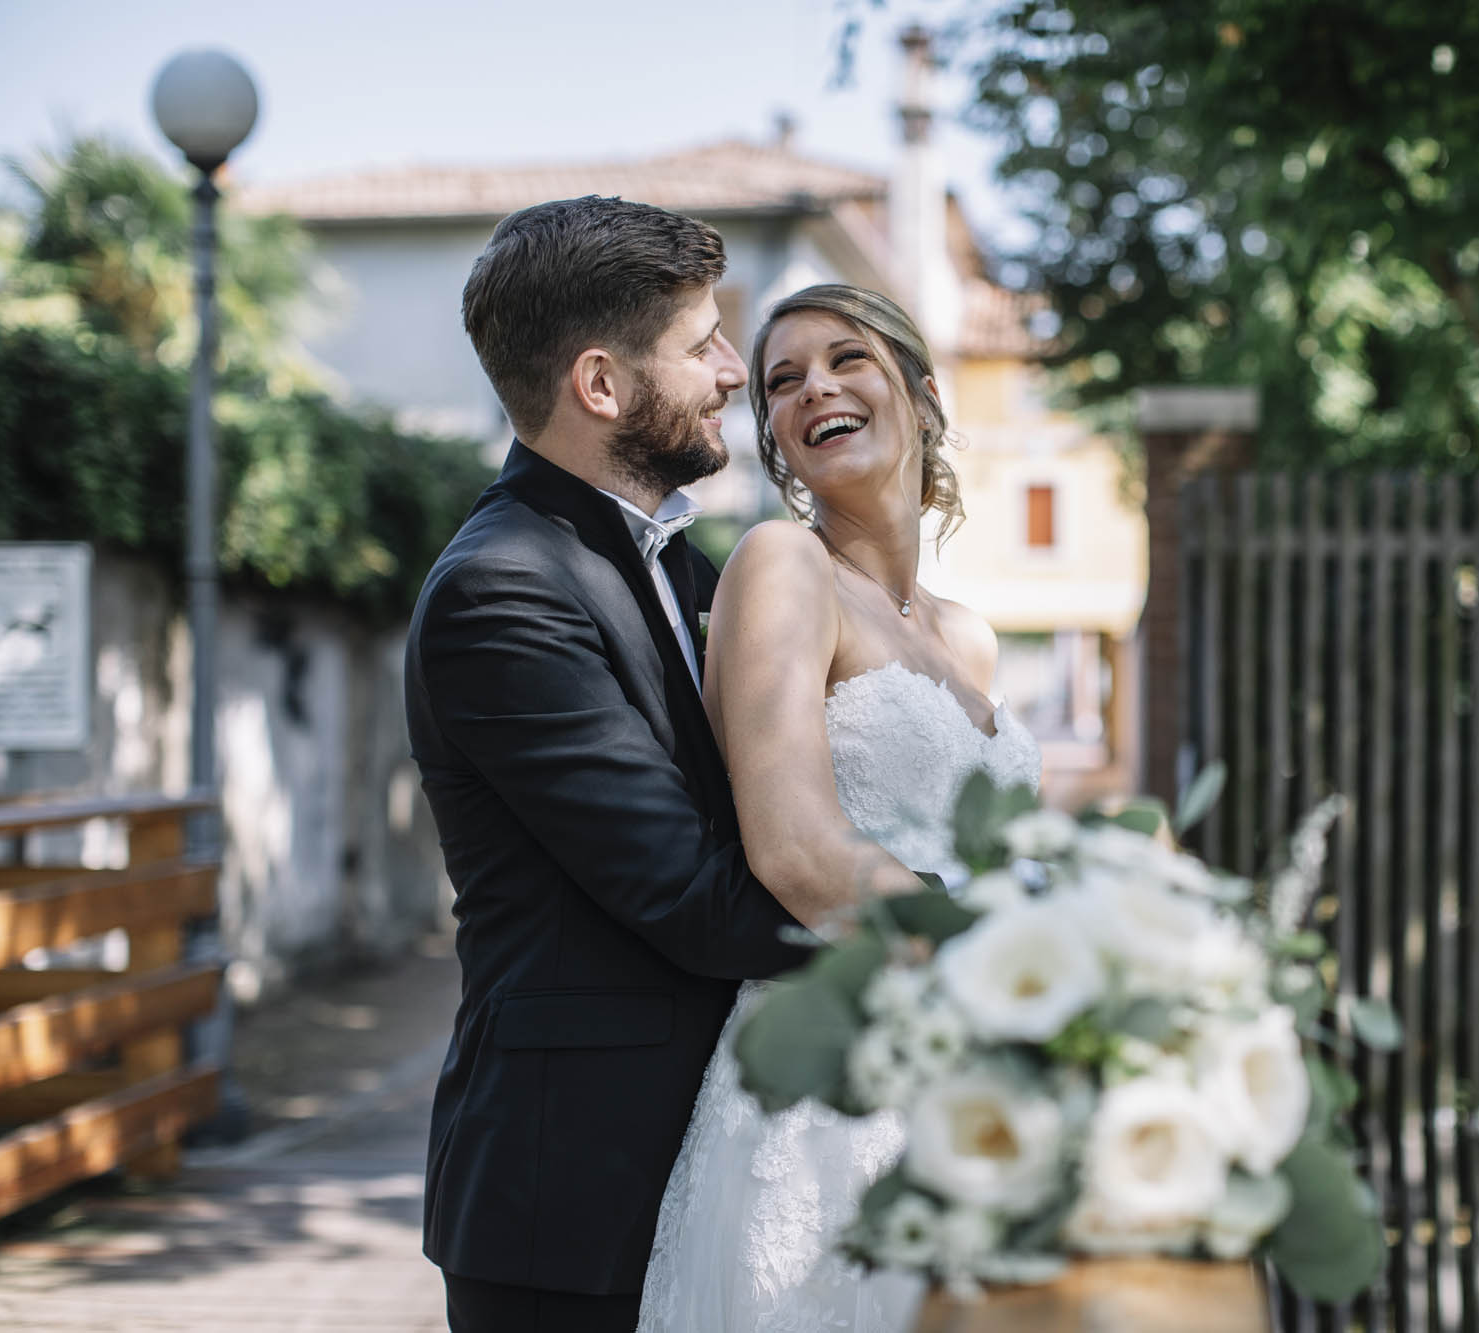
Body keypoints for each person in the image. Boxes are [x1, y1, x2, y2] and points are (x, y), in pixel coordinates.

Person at [404, 196, 831, 1333]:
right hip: (573, 1200)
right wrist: (953, 931)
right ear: (600, 383)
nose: (733, 372)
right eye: (704, 344)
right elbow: (689, 895)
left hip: (721, 1169)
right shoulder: (501, 590)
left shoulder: (685, 567)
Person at [636, 284, 1043, 1331]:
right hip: (838, 1088)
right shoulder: (784, 565)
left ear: (921, 392)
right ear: (776, 437)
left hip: (975, 1071)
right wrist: (1011, 963)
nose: (814, 386)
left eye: (845, 358)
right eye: (782, 380)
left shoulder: (970, 636)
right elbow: (795, 851)